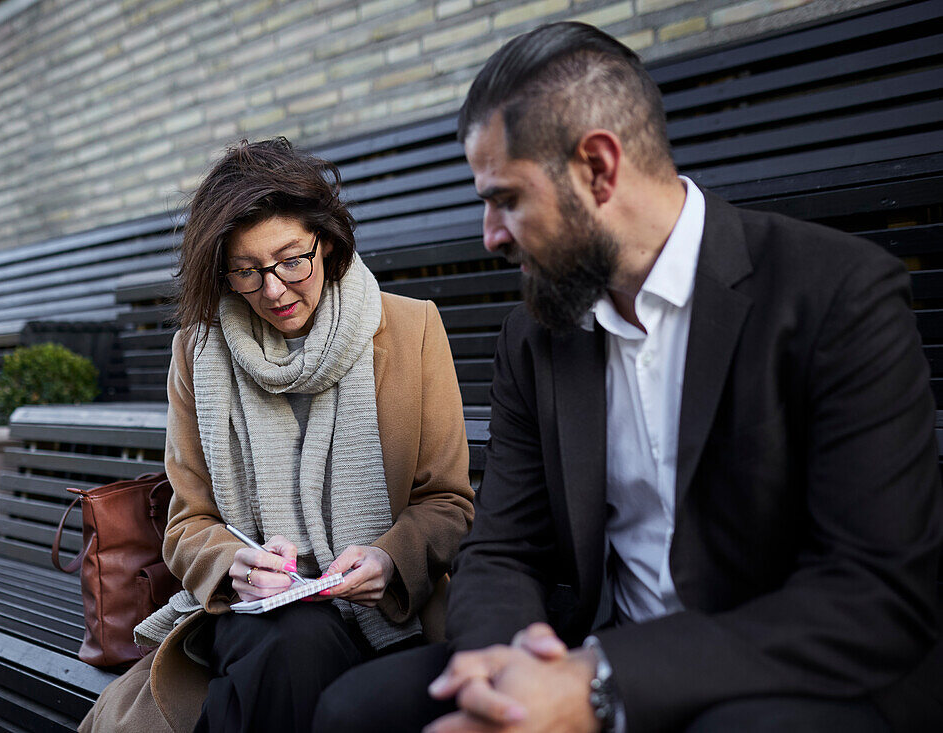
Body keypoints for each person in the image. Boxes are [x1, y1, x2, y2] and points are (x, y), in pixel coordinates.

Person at [314, 21, 943, 733]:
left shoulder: (836, 294)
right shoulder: (537, 333)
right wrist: (508, 670)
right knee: (354, 710)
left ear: (599, 169)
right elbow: (501, 549)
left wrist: (599, 685)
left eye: (507, 198)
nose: (489, 233)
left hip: (783, 675)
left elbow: (873, 591)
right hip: (580, 652)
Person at [79, 137, 474, 733]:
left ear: (329, 243)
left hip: (391, 608)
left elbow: (447, 502)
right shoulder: (198, 352)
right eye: (246, 271)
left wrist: (389, 561)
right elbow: (187, 523)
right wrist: (235, 565)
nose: (273, 290)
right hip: (255, 614)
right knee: (293, 644)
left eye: (293, 260)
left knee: (280, 673)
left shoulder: (414, 328)